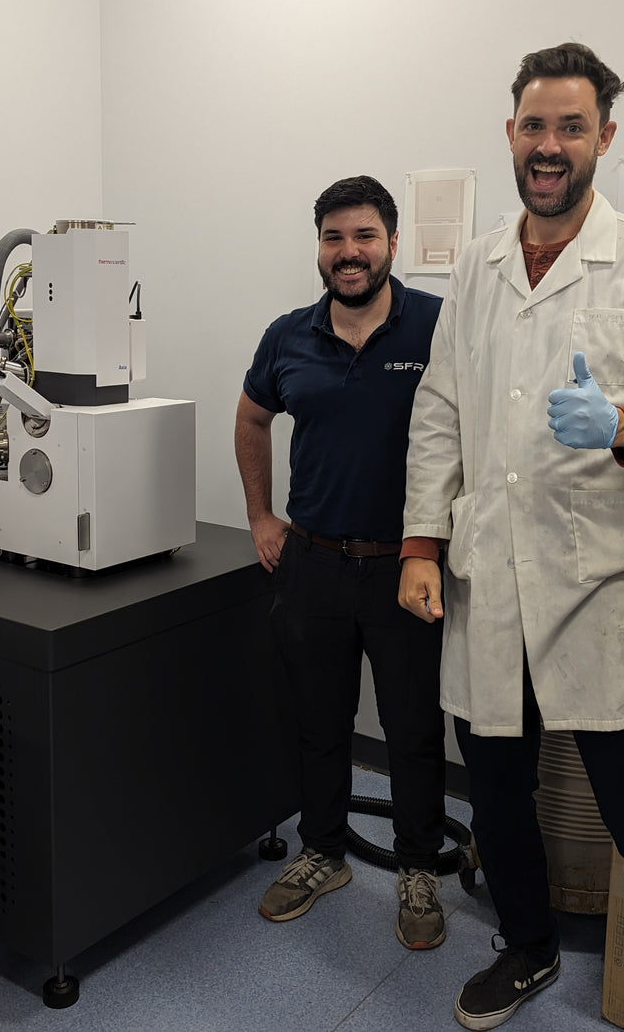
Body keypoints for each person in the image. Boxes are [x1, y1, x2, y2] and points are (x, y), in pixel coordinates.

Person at [398, 44, 624, 1031]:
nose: (549, 146)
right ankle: (528, 945)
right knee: (499, 796)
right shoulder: (476, 263)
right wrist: (421, 542)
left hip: (606, 584)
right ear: (511, 134)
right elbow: (439, 406)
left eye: (570, 127)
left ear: (604, 138)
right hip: (490, 579)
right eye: (534, 126)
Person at [235, 174, 450, 951]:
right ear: (320, 248)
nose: (349, 253)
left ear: (392, 241)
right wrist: (262, 516)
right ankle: (323, 852)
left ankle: (419, 866)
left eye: (364, 237)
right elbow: (253, 415)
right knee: (318, 721)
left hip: (407, 567)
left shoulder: (437, 325)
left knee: (413, 727)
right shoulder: (289, 334)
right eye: (334, 238)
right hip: (315, 562)